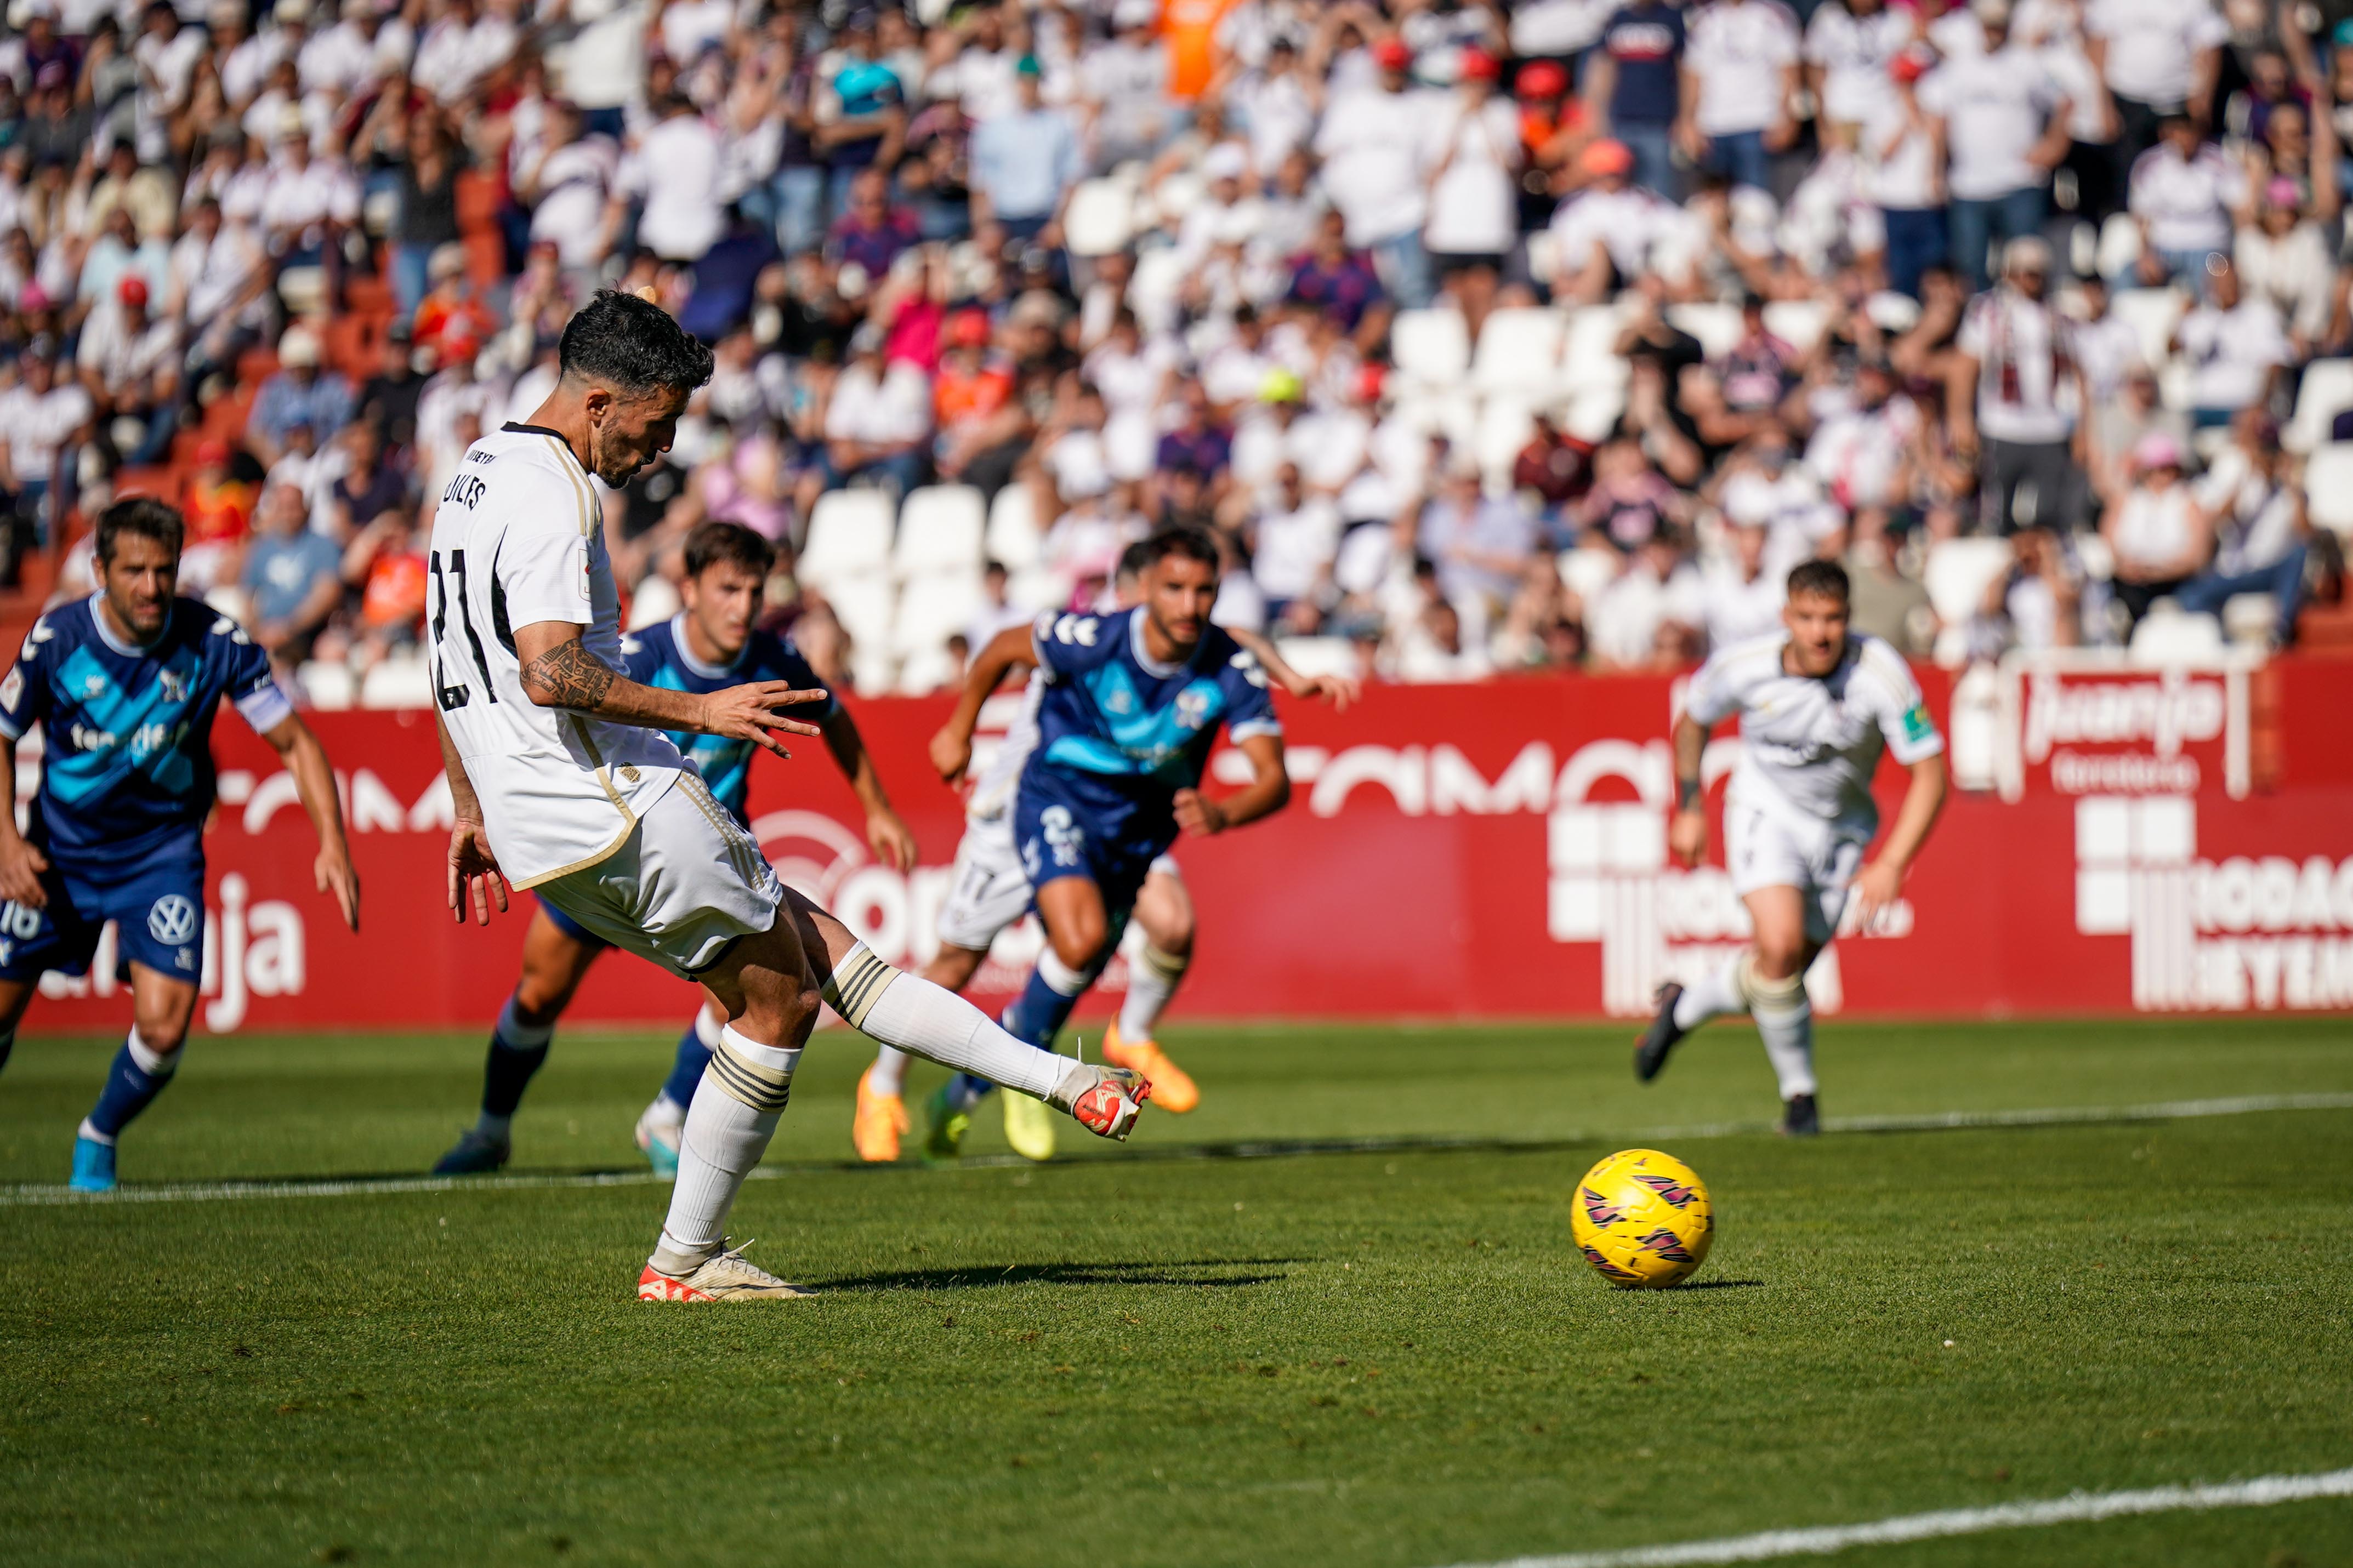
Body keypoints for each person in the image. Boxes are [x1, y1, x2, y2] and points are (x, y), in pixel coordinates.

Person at [431, 292, 1150, 1302]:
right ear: (599, 403)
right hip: (613, 795)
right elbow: (550, 670)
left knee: (829, 962)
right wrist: (700, 709)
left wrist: (469, 804)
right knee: (782, 1003)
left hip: (538, 816)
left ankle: (1063, 1081)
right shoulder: (556, 491)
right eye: (656, 420)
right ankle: (685, 1261)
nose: (664, 444)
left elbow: (453, 664)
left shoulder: (473, 474)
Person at [431, 516, 922, 1177]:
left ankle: (666, 1114)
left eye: (754, 591)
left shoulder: (773, 661)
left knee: (743, 996)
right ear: (689, 588)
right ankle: (490, 1130)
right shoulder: (640, 660)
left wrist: (878, 808)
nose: (743, 607)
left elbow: (831, 714)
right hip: (607, 850)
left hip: (706, 860)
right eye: (727, 589)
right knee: (541, 992)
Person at [853, 539, 1353, 1164]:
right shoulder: (1090, 635)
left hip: (1131, 823)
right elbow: (1009, 645)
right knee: (962, 960)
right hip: (1022, 808)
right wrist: (957, 729)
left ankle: (1073, 1055)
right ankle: (884, 1086)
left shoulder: (1212, 651)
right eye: (1168, 589)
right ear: (1139, 590)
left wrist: (1288, 682)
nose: (1185, 606)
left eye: (1201, 593)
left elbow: (1237, 648)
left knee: (1155, 928)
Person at [0, 498, 360, 1191]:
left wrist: (333, 843)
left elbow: (295, 742)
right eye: (133, 570)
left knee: (164, 1031)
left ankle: (98, 1135)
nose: (150, 587)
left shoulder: (214, 641)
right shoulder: (58, 640)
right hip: (57, 857)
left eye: (163, 570)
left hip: (159, 857)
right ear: (100, 569)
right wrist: (9, 846)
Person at [1629, 557, 1947, 1135]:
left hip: (1842, 832)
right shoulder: (1743, 665)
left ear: (1848, 618)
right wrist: (1689, 804)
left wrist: (1892, 862)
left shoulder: (1879, 673)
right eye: (1806, 617)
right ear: (1786, 617)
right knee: (1775, 947)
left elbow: (1930, 774)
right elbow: (1691, 722)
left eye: (1831, 618)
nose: (1819, 632)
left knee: (1779, 972)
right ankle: (1799, 1098)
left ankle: (1683, 1007)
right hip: (1763, 812)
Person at [1947, 235, 2083, 533]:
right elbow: (1964, 368)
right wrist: (1961, 419)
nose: (2031, 279)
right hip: (2003, 425)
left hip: (2051, 426)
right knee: (1999, 512)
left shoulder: (2059, 312)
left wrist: (2083, 428)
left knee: (2049, 511)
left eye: (2037, 272)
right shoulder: (1988, 311)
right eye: (2025, 271)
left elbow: (2078, 371)